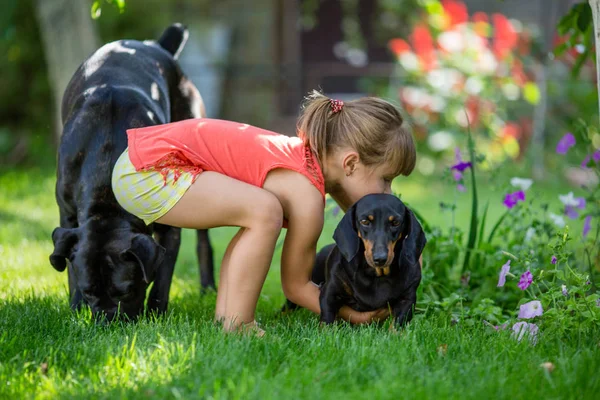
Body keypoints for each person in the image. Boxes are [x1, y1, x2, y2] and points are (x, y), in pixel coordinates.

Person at [112, 90, 416, 335]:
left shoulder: (301, 162)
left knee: (256, 213)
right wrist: (352, 315)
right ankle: (240, 323)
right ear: (350, 164)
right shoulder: (307, 196)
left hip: (138, 165)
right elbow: (296, 286)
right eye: (386, 179)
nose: (387, 193)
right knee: (264, 210)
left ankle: (227, 318)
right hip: (150, 171)